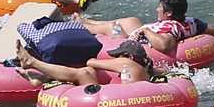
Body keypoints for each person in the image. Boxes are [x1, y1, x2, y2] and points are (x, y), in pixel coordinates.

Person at [85, 0, 214, 62]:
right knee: (131, 20)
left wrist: (146, 31)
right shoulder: (191, 22)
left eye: (160, 7)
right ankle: (89, 21)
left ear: (168, 13)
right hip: (141, 30)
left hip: (128, 40)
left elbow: (164, 45)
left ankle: (85, 25)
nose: (157, 9)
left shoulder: (170, 28)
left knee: (113, 27)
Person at [15, 35, 165, 88]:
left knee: (85, 72)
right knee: (90, 73)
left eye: (118, 55)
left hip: (117, 104)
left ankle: (32, 62)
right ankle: (43, 78)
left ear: (129, 57)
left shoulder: (128, 64)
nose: (115, 58)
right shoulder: (145, 70)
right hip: (130, 103)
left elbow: (92, 62)